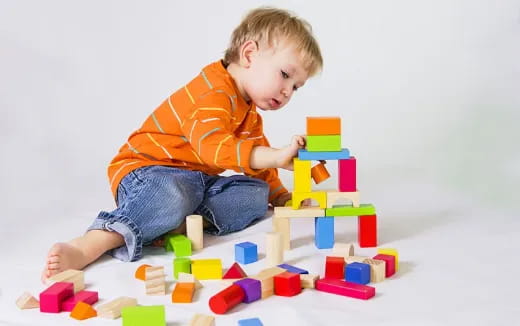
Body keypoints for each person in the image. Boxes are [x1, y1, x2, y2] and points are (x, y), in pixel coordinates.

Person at [42, 6, 323, 281]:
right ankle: (94, 242)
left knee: (255, 194)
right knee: (174, 192)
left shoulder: (248, 112)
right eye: (285, 75)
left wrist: (280, 196)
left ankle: (173, 224)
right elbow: (214, 147)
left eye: (296, 87)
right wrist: (275, 156)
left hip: (194, 182)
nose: (287, 91)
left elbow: (256, 163)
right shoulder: (213, 91)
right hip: (147, 172)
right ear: (249, 54)